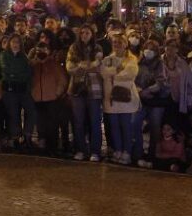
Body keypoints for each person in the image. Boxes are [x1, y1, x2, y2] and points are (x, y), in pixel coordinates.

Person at [66, 24, 105, 162]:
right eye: (82, 33)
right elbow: (70, 67)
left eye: (87, 33)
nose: (84, 35)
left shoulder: (98, 48)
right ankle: (80, 149)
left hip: (94, 89)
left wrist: (83, 66)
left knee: (95, 121)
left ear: (92, 34)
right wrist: (88, 66)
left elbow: (99, 67)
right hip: (77, 89)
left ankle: (95, 151)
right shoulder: (74, 48)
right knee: (78, 121)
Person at [101, 33, 141, 165]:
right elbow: (103, 73)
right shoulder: (108, 59)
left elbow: (130, 74)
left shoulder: (131, 59)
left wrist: (112, 74)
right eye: (115, 42)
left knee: (126, 126)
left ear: (125, 44)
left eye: (120, 42)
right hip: (110, 97)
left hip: (126, 98)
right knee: (114, 126)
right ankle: (118, 150)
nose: (117, 45)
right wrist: (116, 71)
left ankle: (127, 152)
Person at [29, 30, 68, 155]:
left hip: (51, 97)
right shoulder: (33, 63)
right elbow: (28, 76)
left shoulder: (53, 63)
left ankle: (53, 144)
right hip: (37, 96)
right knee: (40, 121)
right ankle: (42, 141)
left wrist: (57, 93)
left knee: (52, 123)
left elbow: (61, 79)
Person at [134, 38, 171, 167]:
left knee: (155, 128)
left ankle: (152, 155)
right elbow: (134, 79)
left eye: (151, 49)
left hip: (155, 101)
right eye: (146, 48)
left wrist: (148, 90)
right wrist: (140, 91)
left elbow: (161, 82)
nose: (148, 51)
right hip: (142, 100)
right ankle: (138, 153)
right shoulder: (139, 63)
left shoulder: (160, 64)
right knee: (135, 123)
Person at [0, 34, 36, 150]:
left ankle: (27, 135)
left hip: (23, 89)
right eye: (13, 42)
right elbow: (6, 70)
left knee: (31, 112)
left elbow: (27, 73)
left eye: (18, 43)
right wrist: (17, 73)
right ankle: (16, 138)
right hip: (10, 90)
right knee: (14, 114)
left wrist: (15, 74)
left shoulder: (23, 57)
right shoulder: (4, 55)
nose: (16, 45)